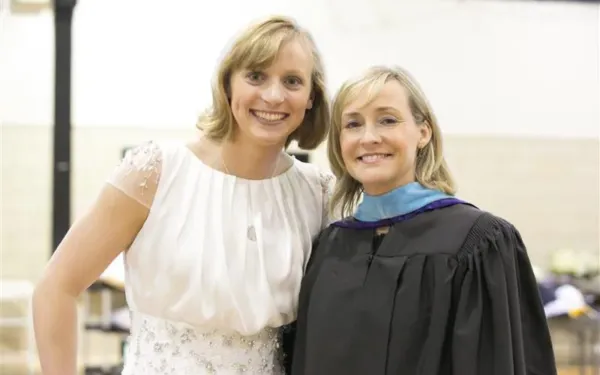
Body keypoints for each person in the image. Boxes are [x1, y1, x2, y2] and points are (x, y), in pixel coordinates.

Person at [32, 16, 333, 375]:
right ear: (227, 85)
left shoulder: (317, 192)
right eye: (256, 76)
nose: (273, 95)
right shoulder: (157, 171)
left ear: (310, 97)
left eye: (292, 81)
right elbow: (56, 288)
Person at [289, 66, 557, 375]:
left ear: (423, 132)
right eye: (353, 124)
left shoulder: (479, 243)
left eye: (387, 120)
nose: (369, 137)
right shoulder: (328, 247)